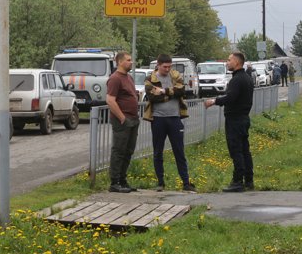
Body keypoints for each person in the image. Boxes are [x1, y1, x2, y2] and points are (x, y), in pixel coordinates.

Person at [143, 54, 196, 192]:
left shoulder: (175, 75)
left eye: (169, 66)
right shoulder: (150, 79)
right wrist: (172, 93)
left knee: (179, 151)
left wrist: (164, 91)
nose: (167, 69)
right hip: (158, 119)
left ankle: (186, 182)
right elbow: (152, 97)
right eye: (165, 67)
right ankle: (160, 182)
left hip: (175, 118)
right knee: (158, 151)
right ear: (158, 65)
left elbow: (182, 91)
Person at [204, 52, 254, 192]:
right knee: (245, 151)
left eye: (229, 60)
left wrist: (214, 101)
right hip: (243, 118)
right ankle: (249, 180)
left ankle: (238, 181)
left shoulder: (237, 80)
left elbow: (230, 98)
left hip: (235, 120)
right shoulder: (247, 78)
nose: (227, 62)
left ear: (237, 63)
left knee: (236, 150)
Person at [106, 52, 140, 193]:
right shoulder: (115, 79)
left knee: (128, 151)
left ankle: (123, 180)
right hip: (123, 120)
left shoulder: (129, 78)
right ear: (119, 62)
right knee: (119, 151)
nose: (131, 62)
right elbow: (110, 100)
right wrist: (122, 118)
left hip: (133, 119)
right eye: (128, 60)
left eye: (131, 60)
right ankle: (114, 182)